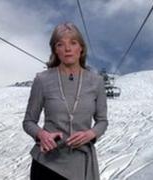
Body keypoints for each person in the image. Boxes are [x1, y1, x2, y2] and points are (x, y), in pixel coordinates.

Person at [23, 22, 108, 180]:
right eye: (60, 44)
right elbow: (28, 121)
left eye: (73, 43)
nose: (67, 49)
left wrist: (91, 133)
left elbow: (102, 121)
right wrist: (41, 134)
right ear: (55, 50)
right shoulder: (42, 80)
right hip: (46, 164)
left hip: (81, 164)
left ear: (81, 48)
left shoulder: (96, 82)